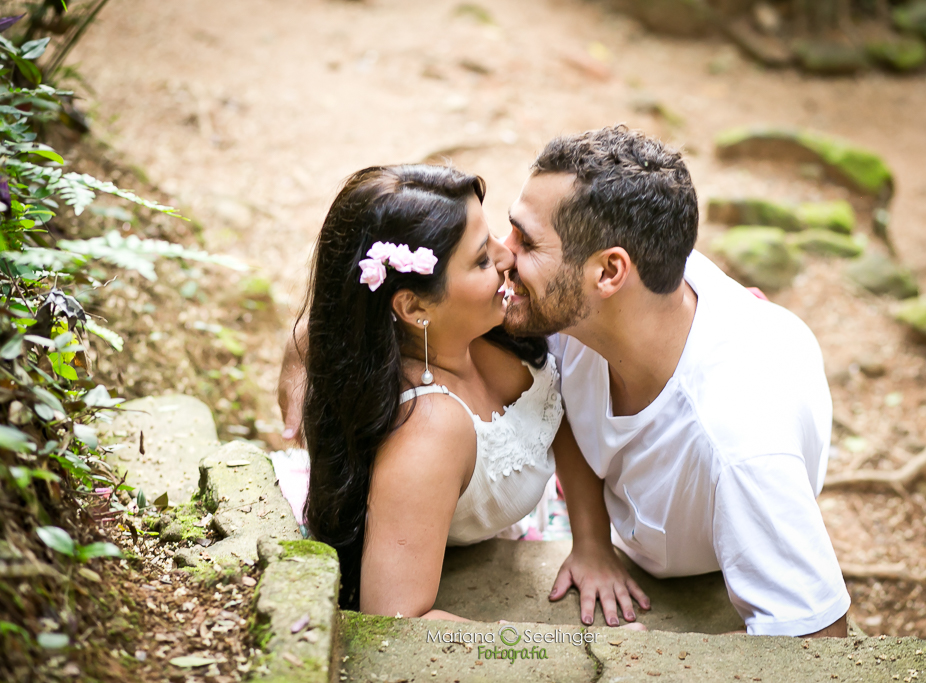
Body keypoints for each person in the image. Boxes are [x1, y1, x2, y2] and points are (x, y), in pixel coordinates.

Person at [502, 125, 850, 637]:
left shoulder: (737, 446)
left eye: (525, 241)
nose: (501, 251)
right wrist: (592, 538)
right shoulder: (611, 303)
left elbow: (821, 641)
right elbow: (559, 396)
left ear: (609, 273)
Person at [291, 164, 648, 622]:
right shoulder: (428, 435)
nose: (507, 256)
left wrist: (593, 543)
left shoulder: (488, 324)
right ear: (414, 306)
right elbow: (396, 621)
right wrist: (542, 652)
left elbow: (558, 414)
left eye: (492, 236)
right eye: (482, 259)